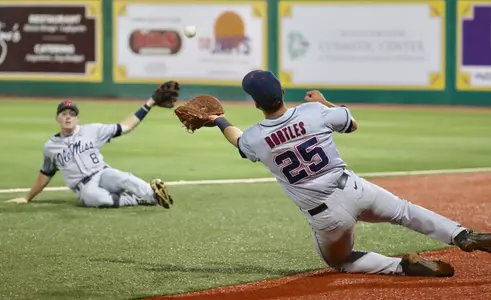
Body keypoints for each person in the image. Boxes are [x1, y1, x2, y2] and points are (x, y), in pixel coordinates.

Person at [205, 70, 491, 277]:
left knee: (341, 262)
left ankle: (399, 266)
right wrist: (325, 101)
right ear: (281, 92)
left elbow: (238, 142)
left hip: (327, 216)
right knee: (404, 211)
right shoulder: (313, 111)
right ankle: (462, 234)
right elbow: (351, 123)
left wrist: (219, 119)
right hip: (354, 188)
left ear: (255, 104)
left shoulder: (255, 137)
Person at [5, 82, 180, 208]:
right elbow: (45, 175)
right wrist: (27, 197)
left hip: (102, 172)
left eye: (72, 114)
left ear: (77, 118)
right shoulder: (50, 147)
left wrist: (150, 103)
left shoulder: (93, 130)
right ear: (57, 118)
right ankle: (143, 199)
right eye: (64, 113)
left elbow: (126, 126)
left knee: (123, 178)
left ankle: (155, 194)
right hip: (84, 187)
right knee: (99, 199)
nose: (68, 116)